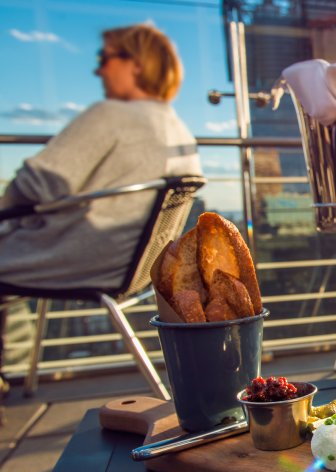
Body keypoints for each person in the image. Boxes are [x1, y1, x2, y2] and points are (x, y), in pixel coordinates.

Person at [0, 23, 201, 401]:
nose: (98, 69)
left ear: (136, 65)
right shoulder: (178, 128)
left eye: (105, 59)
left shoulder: (111, 114)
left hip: (81, 257)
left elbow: (38, 182)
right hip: (138, 267)